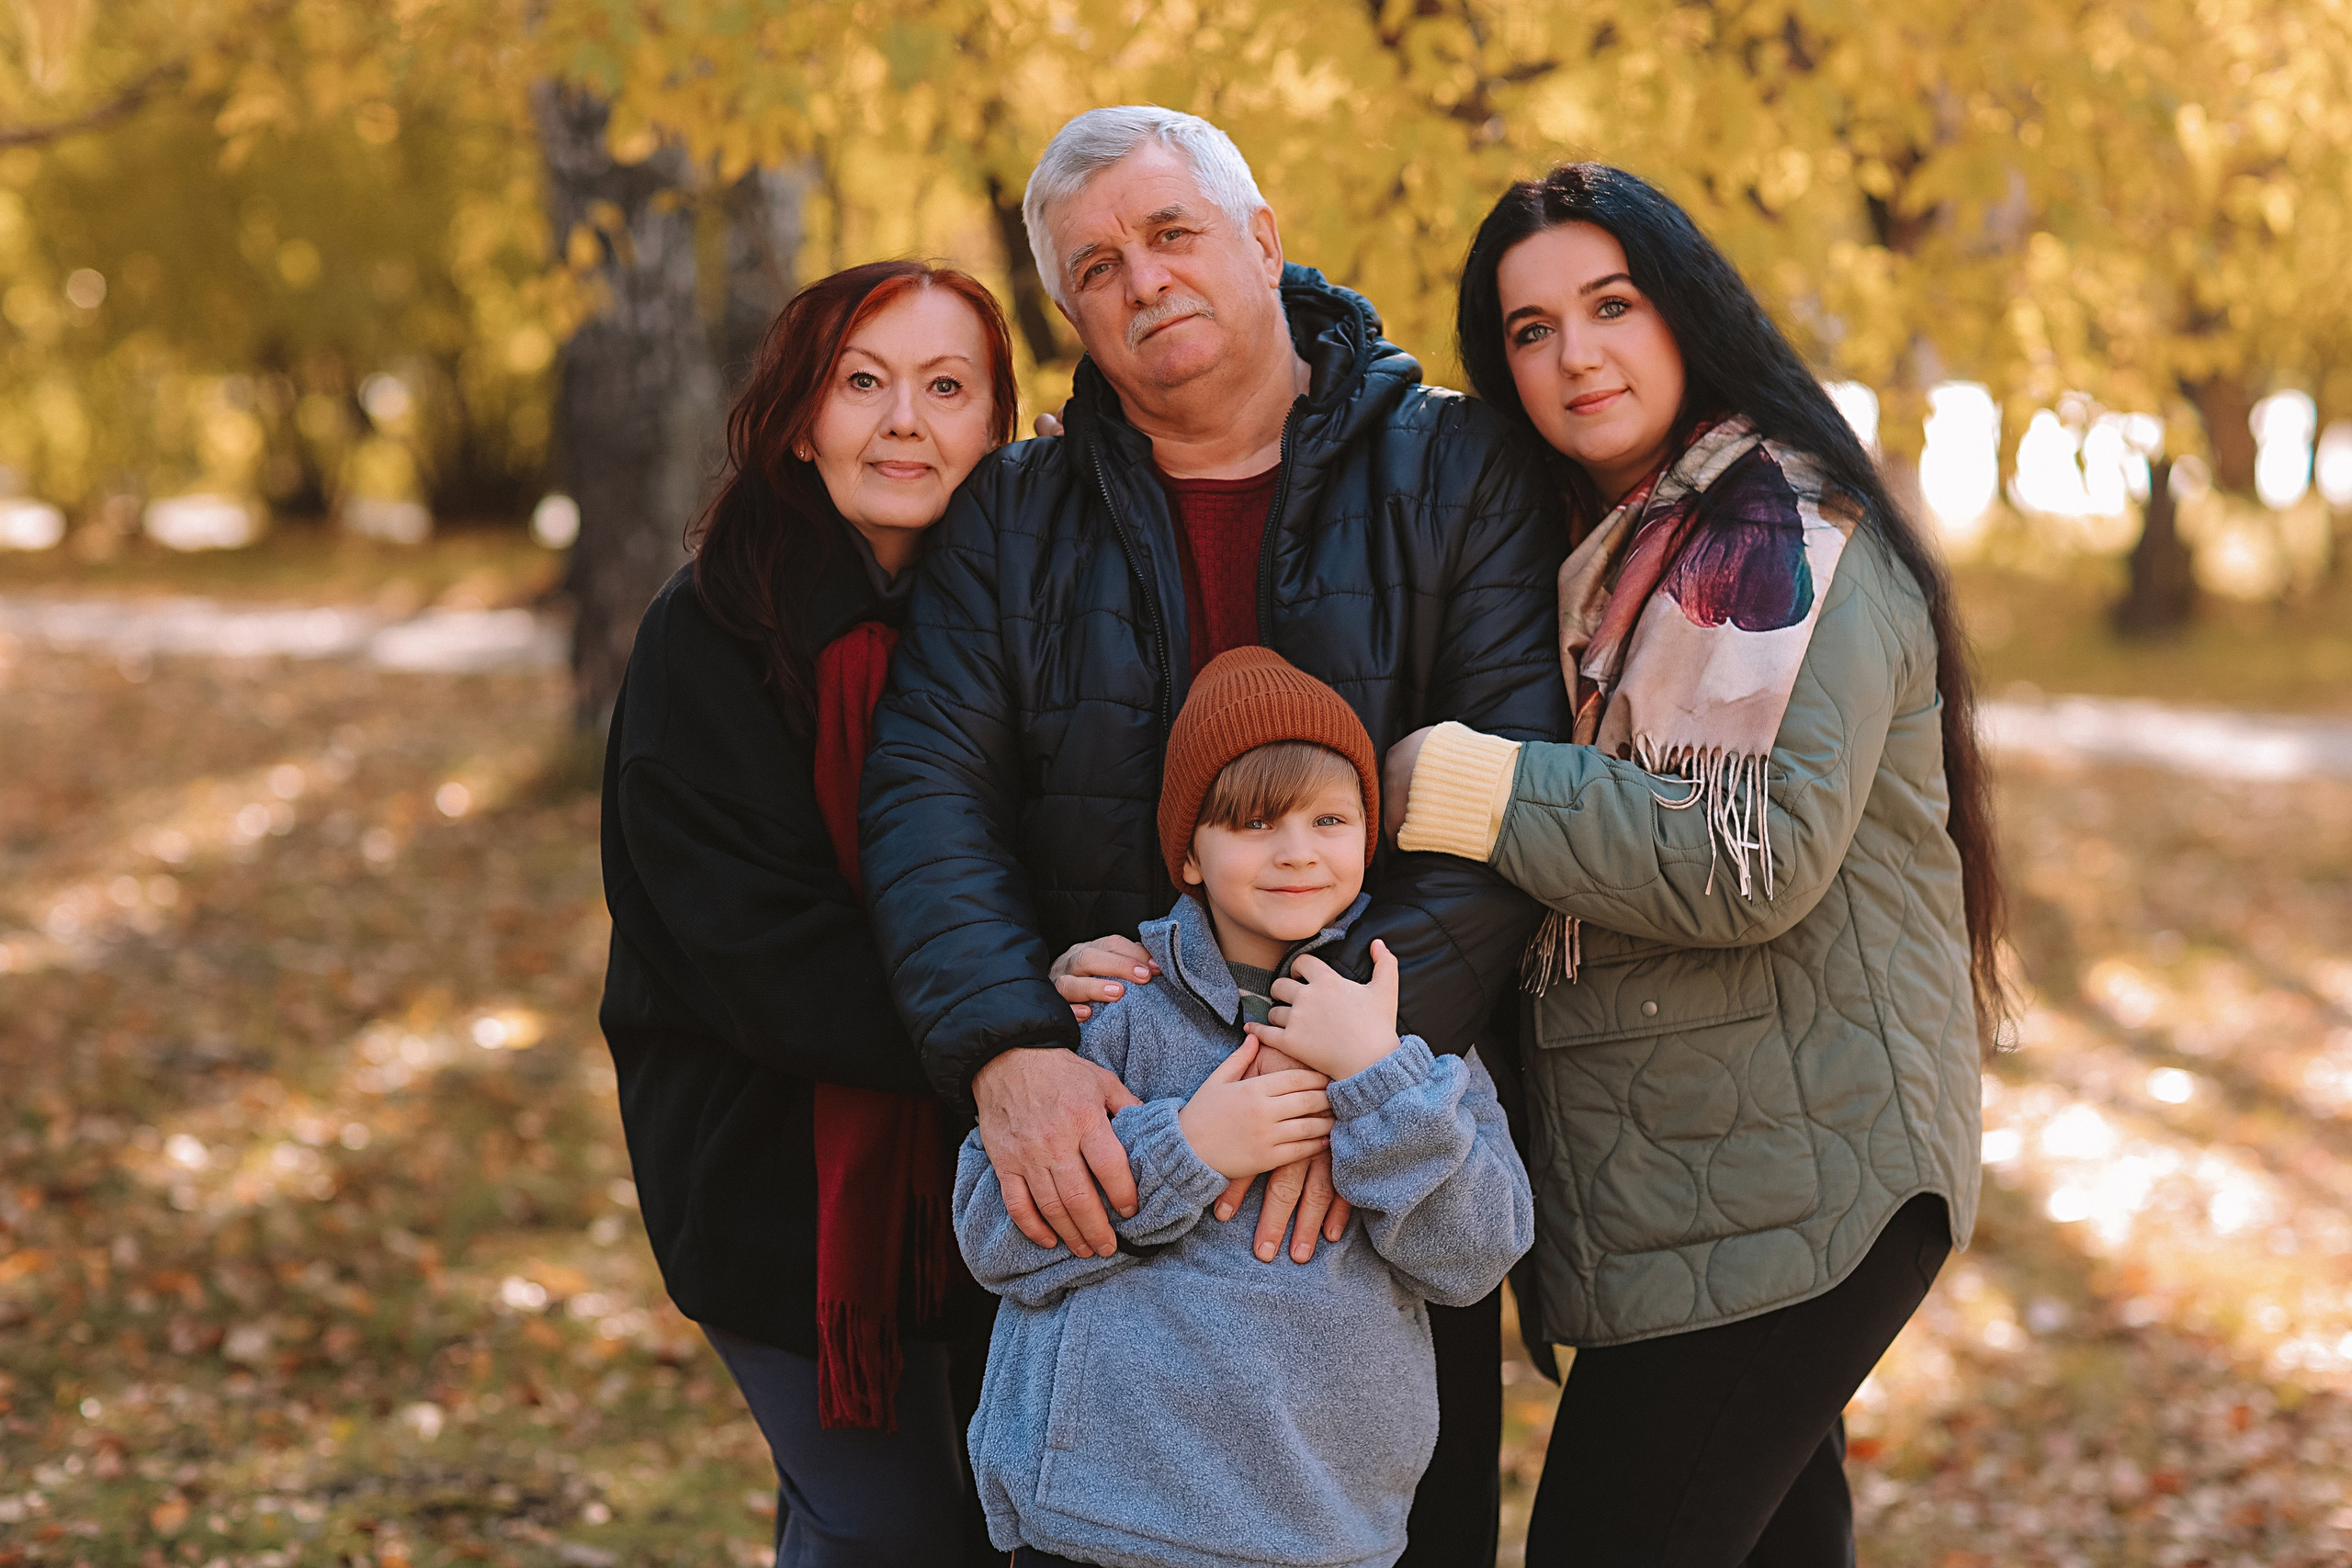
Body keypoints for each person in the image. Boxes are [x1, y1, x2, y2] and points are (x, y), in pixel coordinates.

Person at [860, 106, 1574, 1563]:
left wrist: (1334, 1062)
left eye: (1172, 233)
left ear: (1261, 238)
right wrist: (1007, 1046)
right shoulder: (1012, 514)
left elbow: (1503, 805)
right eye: (1097, 266)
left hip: (1372, 1150)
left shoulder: (1453, 471)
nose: (1144, 281)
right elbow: (929, 794)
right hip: (1108, 1154)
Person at [1383, 163, 2003, 1565]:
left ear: (1688, 310)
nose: (1574, 353)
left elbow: (1751, 852)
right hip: (1715, 1177)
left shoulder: (1772, 526)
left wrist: (1460, 782)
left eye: (1611, 304)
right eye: (1529, 330)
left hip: (1798, 1175)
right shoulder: (1615, 549)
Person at [597, 260, 1018, 1565]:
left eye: (948, 387)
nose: (907, 421)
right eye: (865, 382)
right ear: (799, 416)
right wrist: (1013, 1035)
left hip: (974, 1162)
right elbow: (764, 953)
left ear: (997, 427)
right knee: (891, 1523)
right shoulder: (712, 634)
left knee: (915, 1512)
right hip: (772, 1165)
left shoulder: (999, 609)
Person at [956, 649, 1535, 1568]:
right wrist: (1184, 1148)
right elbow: (995, 1234)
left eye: (1329, 819)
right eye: (1254, 821)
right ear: (1189, 851)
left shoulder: (1413, 1032)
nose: (1297, 849)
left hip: (1320, 1530)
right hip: (1103, 1523)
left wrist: (1375, 1076)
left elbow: (1475, 1255)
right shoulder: (1115, 1009)